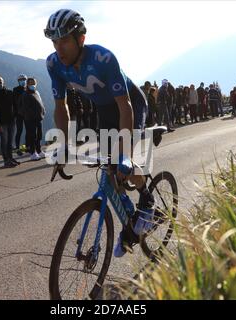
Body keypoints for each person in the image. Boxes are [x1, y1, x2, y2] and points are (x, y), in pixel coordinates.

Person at [44, 9, 154, 258]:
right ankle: (130, 223)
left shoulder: (103, 58)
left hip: (129, 104)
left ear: (80, 39)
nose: (58, 48)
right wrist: (62, 145)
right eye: (54, 42)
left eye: (64, 41)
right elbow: (61, 108)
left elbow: (125, 107)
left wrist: (124, 153)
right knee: (109, 170)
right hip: (105, 109)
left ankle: (147, 201)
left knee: (123, 161)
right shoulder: (54, 64)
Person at [0, 76, 19, 168]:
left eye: (0, 82)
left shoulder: (10, 93)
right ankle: (6, 160)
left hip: (11, 121)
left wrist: (15, 116)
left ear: (3, 83)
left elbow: (15, 105)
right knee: (4, 141)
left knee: (10, 142)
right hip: (1, 123)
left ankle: (11, 158)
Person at [23, 77, 46, 161]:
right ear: (27, 84)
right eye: (30, 83)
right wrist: (32, 115)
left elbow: (40, 103)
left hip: (39, 118)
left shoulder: (36, 92)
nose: (32, 85)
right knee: (33, 136)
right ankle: (33, 153)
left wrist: (43, 111)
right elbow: (27, 108)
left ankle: (39, 151)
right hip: (30, 119)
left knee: (39, 135)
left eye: (33, 83)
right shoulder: (26, 94)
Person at [13, 74, 28, 156]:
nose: (23, 81)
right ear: (18, 81)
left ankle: (25, 147)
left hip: (27, 113)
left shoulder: (28, 89)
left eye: (24, 79)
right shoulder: (16, 89)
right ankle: (18, 148)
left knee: (28, 131)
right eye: (21, 80)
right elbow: (15, 102)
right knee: (19, 131)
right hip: (19, 114)